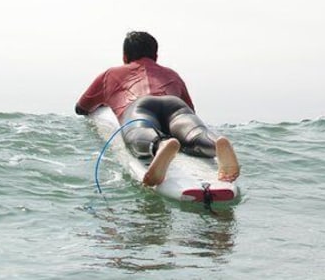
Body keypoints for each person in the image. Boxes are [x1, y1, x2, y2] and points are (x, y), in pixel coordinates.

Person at [75, 31, 239, 186]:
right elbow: (191, 110)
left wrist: (106, 99)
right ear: (156, 56)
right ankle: (215, 143)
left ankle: (160, 146)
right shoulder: (172, 74)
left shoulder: (110, 74)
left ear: (125, 57)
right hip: (175, 105)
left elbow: (82, 107)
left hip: (140, 106)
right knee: (193, 131)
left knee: (138, 132)